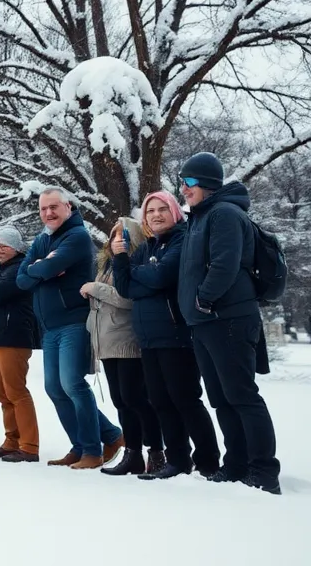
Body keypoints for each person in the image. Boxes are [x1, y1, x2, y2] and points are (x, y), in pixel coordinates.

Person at [177, 152, 280, 494]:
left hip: (228, 319)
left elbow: (225, 264)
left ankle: (263, 471)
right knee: (221, 399)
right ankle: (235, 464)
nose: (184, 188)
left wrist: (203, 298)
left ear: (206, 183)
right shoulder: (201, 216)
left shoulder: (223, 213)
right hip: (205, 323)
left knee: (242, 396)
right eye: (183, 181)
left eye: (189, 181)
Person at [112, 191, 222, 481]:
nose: (156, 215)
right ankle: (177, 461)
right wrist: (122, 257)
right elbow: (124, 287)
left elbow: (163, 277)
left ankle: (209, 462)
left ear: (175, 212)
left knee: (185, 398)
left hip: (177, 335)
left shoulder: (183, 240)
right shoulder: (145, 246)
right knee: (160, 400)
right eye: (150, 211)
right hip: (148, 338)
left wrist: (144, 274)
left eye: (163, 209)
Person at [17, 187, 124, 469]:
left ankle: (92, 450)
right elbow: (22, 279)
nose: (48, 213)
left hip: (74, 322)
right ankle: (95, 441)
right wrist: (42, 267)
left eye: (54, 207)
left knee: (72, 384)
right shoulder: (42, 239)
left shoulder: (77, 237)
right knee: (54, 387)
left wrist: (42, 268)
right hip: (49, 327)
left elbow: (38, 272)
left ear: (68, 207)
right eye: (43, 209)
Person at [82, 217, 164, 476]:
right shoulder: (106, 263)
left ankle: (157, 452)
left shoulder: (136, 262)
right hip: (106, 339)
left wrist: (96, 289)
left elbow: (128, 298)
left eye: (123, 235)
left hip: (127, 339)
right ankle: (132, 453)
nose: (117, 239)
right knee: (120, 400)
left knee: (135, 398)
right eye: (114, 234)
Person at [0, 227, 41, 463]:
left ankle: (29, 445)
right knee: (2, 393)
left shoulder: (19, 268)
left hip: (13, 337)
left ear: (16, 247)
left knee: (16, 392)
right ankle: (11, 440)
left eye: (4, 245)